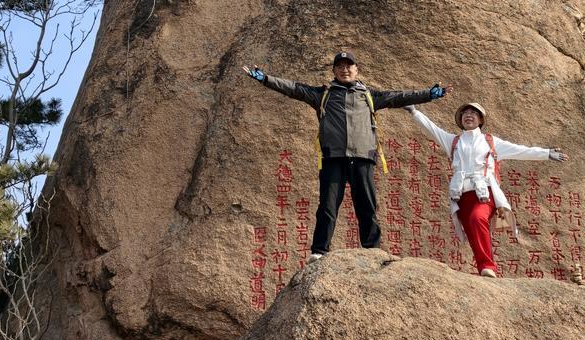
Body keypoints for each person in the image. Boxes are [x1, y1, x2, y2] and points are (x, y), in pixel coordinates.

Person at [243, 52, 449, 259]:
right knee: (327, 206)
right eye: (340, 66)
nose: (345, 70)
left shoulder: (369, 95)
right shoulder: (323, 94)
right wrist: (266, 79)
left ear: (356, 69)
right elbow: (294, 89)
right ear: (334, 71)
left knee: (367, 206)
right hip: (333, 157)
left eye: (349, 66)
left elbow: (399, 97)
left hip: (363, 157)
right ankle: (320, 250)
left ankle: (372, 250)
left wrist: (429, 94)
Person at [406, 101, 567, 277]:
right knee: (472, 232)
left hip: (484, 193)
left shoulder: (490, 141)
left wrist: (546, 153)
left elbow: (520, 151)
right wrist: (414, 112)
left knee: (477, 219)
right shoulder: (453, 141)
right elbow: (432, 129)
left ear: (480, 119)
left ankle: (488, 266)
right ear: (460, 119)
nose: (468, 115)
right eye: (465, 113)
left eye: (473, 113)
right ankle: (484, 269)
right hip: (461, 196)